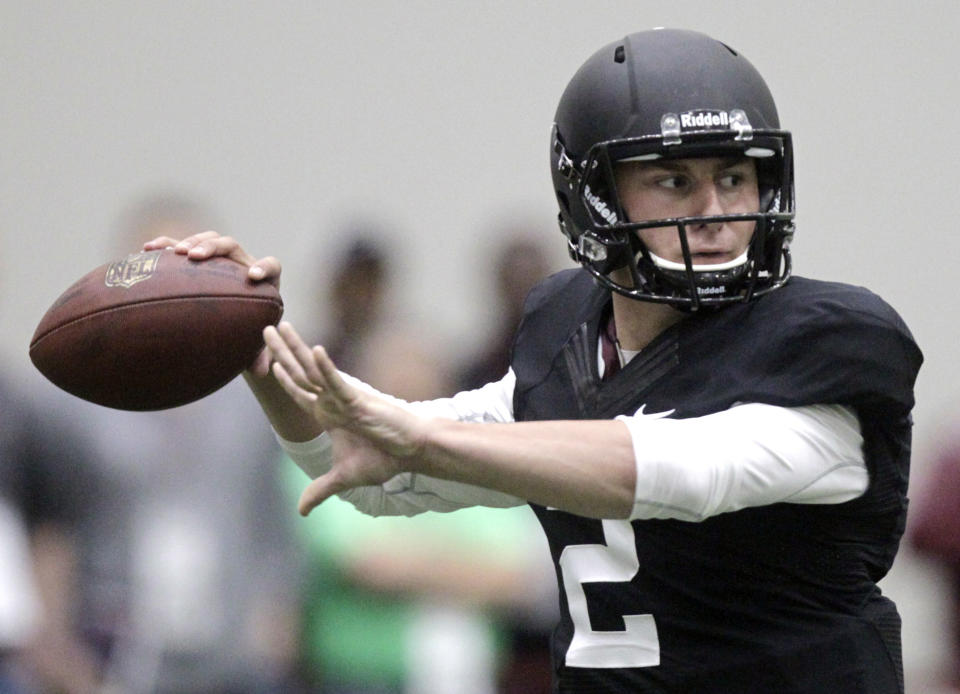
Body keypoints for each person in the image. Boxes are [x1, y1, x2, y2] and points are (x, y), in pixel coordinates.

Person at [145, 28, 923, 694]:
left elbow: (673, 470)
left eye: (734, 176)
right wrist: (258, 343)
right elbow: (357, 460)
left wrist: (417, 438)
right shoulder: (569, 344)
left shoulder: (822, 346)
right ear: (596, 198)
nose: (717, 212)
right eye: (675, 180)